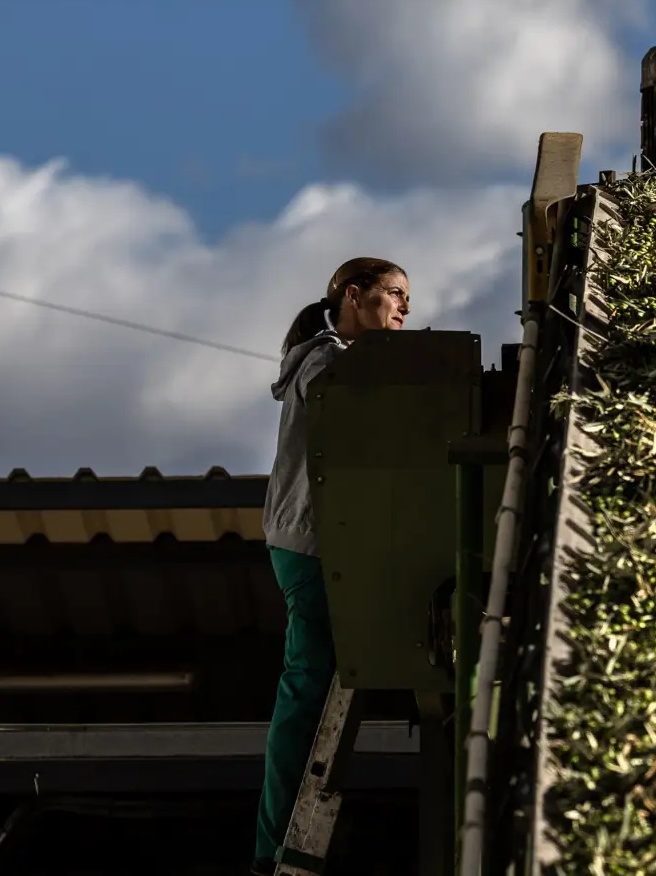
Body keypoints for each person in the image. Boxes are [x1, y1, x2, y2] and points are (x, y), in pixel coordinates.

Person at [253, 257, 410, 876]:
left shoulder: (337, 358)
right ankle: (275, 849)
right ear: (354, 295)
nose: (403, 308)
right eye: (394, 294)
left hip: (319, 541)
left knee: (313, 684)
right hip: (314, 544)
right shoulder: (326, 360)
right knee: (307, 683)